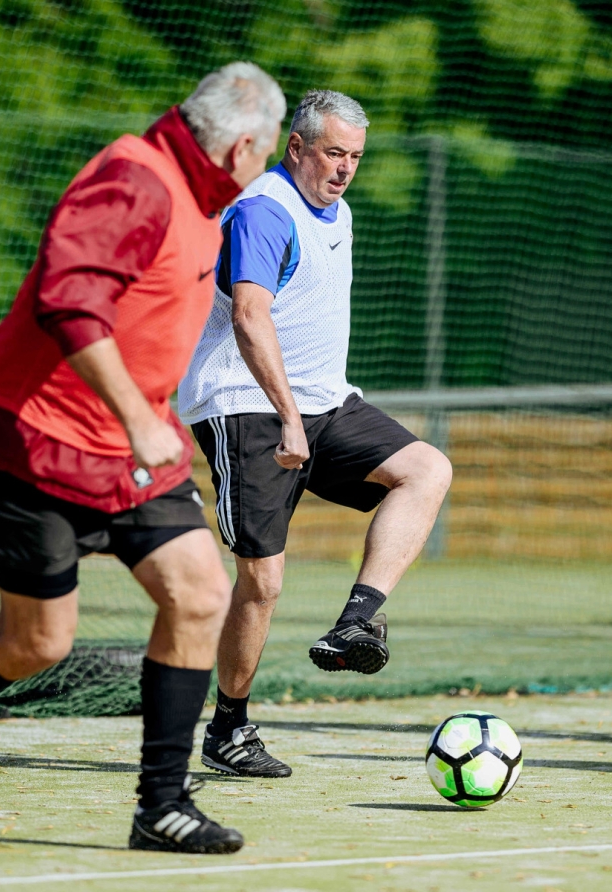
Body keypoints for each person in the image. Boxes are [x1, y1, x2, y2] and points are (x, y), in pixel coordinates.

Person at [0, 63, 285, 853]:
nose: (262, 172)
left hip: (126, 444)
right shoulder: (136, 179)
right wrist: (136, 416)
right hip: (30, 439)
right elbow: (69, 299)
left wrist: (139, 419)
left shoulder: (207, 199)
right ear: (243, 146)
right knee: (37, 643)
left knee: (199, 595)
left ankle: (162, 806)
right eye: (263, 159)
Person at [178, 90, 452, 779]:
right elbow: (248, 315)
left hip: (327, 404)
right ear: (295, 147)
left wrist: (311, 409)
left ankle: (357, 621)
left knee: (426, 469)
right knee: (263, 583)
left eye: (355, 156)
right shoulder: (264, 213)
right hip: (247, 406)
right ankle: (229, 730)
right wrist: (289, 416)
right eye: (334, 152)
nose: (345, 169)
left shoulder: (341, 210)